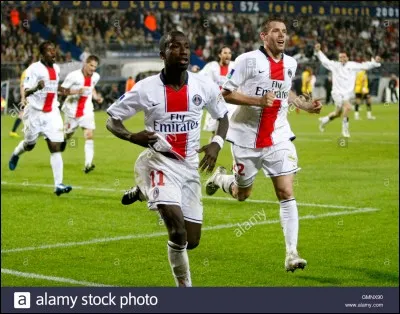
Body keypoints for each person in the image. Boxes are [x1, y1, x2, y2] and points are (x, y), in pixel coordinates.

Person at [106, 31, 230, 287]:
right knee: (177, 232)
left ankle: (143, 191)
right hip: (159, 164)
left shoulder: (203, 85)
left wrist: (216, 144)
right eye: (175, 47)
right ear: (162, 55)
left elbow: (223, 116)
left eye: (186, 46)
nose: (183, 51)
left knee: (192, 241)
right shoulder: (145, 88)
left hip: (189, 167)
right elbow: (112, 119)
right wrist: (131, 136)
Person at [205, 18, 323, 273]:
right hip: (246, 138)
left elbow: (285, 92)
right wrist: (257, 101)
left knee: (286, 192)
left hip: (279, 136)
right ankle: (222, 179)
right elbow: (224, 94)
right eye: (276, 31)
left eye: (284, 31)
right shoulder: (247, 61)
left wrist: (303, 105)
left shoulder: (290, 63)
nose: (282, 35)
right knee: (242, 195)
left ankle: (291, 253)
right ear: (263, 36)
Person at [8, 41, 72, 196]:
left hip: (52, 113)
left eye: (54, 50)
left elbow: (54, 85)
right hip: (35, 113)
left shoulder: (55, 68)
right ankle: (16, 153)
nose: (54, 53)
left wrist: (64, 90)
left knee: (55, 146)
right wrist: (37, 87)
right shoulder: (34, 69)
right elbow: (26, 90)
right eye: (50, 51)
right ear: (42, 54)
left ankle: (58, 185)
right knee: (30, 145)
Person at [315, 44, 381, 137]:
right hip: (337, 93)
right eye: (340, 57)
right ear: (338, 58)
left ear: (347, 57)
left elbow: (364, 66)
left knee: (338, 114)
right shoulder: (335, 65)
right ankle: (345, 130)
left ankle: (324, 121)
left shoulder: (352, 65)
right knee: (348, 107)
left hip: (347, 94)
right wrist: (318, 51)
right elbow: (325, 61)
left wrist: (374, 63)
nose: (342, 58)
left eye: (344, 56)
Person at [61, 55, 102, 173]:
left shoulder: (96, 76)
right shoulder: (73, 76)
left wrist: (96, 97)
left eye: (95, 66)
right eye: (91, 65)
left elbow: (92, 87)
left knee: (89, 135)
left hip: (86, 110)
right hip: (71, 111)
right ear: (85, 63)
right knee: (68, 134)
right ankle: (64, 139)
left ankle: (88, 164)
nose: (93, 68)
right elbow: (61, 90)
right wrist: (76, 91)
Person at [200, 46, 236, 140]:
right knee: (214, 126)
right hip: (216, 100)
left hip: (230, 100)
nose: (228, 55)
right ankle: (213, 142)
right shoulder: (212, 66)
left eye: (229, 53)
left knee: (231, 124)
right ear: (219, 55)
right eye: (225, 53)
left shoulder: (234, 66)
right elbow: (201, 77)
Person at [9, 56, 34, 138]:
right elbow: (22, 85)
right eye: (33, 62)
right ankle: (13, 131)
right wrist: (23, 98)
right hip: (27, 96)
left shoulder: (31, 72)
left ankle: (27, 130)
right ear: (30, 63)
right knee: (22, 114)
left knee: (29, 114)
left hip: (31, 96)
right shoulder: (26, 73)